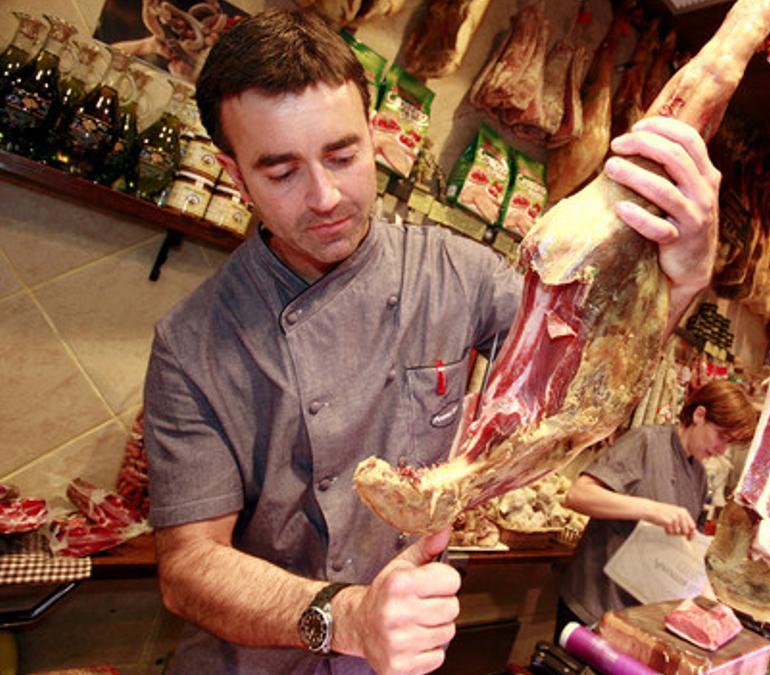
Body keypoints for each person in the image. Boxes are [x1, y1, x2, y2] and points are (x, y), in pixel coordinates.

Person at [143, 10, 722, 675]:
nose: (326, 195)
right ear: (235, 173)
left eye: (343, 154)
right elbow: (187, 566)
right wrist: (350, 616)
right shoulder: (191, 342)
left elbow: (588, 385)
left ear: (373, 132)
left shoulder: (460, 277)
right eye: (281, 173)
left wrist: (676, 288)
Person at [555, 380, 758, 636]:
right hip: (593, 605)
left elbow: (686, 549)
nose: (721, 450)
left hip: (637, 616)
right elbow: (578, 494)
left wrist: (707, 598)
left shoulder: (699, 476)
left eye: (730, 444)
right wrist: (651, 509)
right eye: (721, 437)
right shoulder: (645, 442)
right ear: (699, 415)